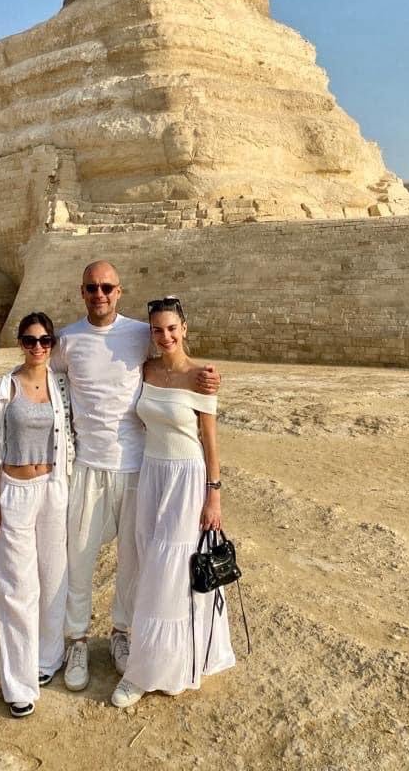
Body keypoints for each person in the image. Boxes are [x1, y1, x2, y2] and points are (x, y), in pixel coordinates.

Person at [50, 261, 219, 691]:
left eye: (107, 287)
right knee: (78, 559)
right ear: (82, 291)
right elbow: (39, 372)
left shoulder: (141, 335)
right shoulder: (67, 341)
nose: (100, 294)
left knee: (133, 562)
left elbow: (175, 357)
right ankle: (77, 640)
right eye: (92, 287)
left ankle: (122, 633)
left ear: (119, 291)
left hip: (137, 469)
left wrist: (207, 375)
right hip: (88, 467)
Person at [111, 296, 235, 708]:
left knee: (170, 570)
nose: (165, 336)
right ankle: (159, 657)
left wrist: (214, 496)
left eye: (171, 328)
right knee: (149, 561)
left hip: (186, 478)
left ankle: (150, 671)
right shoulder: (146, 370)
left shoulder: (202, 376)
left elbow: (210, 442)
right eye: (157, 330)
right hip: (151, 474)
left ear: (184, 328)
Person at [0, 312, 73, 718]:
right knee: (17, 586)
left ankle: (47, 658)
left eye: (45, 340)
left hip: (53, 488)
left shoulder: (61, 385)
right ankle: (18, 683)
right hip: (15, 491)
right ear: (20, 343)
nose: (38, 347)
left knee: (53, 576)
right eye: (30, 340)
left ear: (52, 343)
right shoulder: (5, 386)